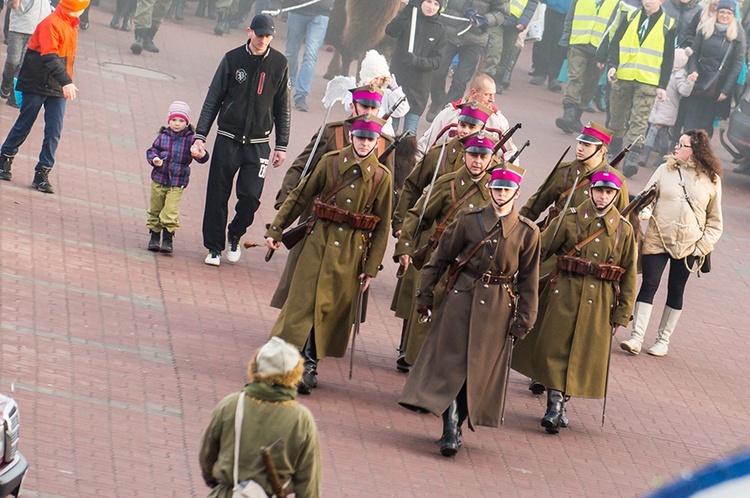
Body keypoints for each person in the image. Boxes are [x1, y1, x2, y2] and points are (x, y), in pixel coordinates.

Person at [399, 164, 539, 457]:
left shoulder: (528, 232)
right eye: (497, 188)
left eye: (507, 189)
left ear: (517, 192)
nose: (501, 194)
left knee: (478, 372)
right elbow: (439, 259)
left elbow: (529, 282)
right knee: (451, 365)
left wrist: (524, 320)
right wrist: (424, 295)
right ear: (490, 189)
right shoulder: (469, 219)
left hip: (498, 309)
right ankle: (450, 428)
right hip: (461, 299)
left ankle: (458, 424)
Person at [265, 114, 393, 395]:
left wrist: (371, 267)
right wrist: (276, 229)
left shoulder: (382, 177)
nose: (364, 144)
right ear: (351, 137)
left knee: (329, 308)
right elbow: (301, 194)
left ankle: (310, 364)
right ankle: (287, 361)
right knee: (301, 304)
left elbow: (383, 226)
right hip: (317, 240)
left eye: (370, 139)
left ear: (377, 142)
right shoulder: (331, 162)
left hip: (350, 250)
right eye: (360, 138)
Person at [512, 170, 637, 434]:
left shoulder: (623, 230)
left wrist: (622, 313)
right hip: (564, 292)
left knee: (582, 353)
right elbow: (541, 250)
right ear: (590, 191)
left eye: (609, 192)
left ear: (616, 195)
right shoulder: (569, 220)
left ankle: (561, 403)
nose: (602, 197)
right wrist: (524, 284)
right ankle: (554, 405)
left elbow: (628, 273)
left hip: (600, 301)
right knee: (556, 348)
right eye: (599, 191)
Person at [270, 84, 394, 310]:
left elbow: (385, 191)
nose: (368, 111)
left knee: (339, 301)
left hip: (356, 229)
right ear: (353, 105)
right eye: (364, 105)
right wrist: (285, 201)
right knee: (303, 284)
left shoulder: (384, 142)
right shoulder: (332, 132)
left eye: (373, 107)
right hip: (318, 218)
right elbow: (301, 166)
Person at [393, 131, 498, 372]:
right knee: (427, 315)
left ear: (491, 159)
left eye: (483, 156)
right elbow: (418, 216)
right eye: (473, 155)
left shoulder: (495, 191)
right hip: (439, 260)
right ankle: (418, 369)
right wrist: (405, 246)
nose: (477, 161)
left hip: (471, 267)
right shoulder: (446, 183)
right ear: (464, 155)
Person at [196, 14, 290, 267]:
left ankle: (235, 234)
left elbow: (283, 106)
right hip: (228, 138)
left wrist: (282, 145)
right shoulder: (232, 59)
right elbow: (213, 99)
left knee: (250, 197)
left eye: (268, 36)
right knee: (217, 195)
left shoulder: (279, 64)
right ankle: (214, 247)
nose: (262, 40)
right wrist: (200, 136)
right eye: (259, 34)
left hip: (259, 143)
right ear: (249, 31)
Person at [620, 130, 722, 357]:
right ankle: (636, 337)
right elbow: (647, 197)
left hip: (689, 245)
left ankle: (662, 341)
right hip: (658, 238)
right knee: (649, 284)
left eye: (682, 145)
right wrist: (643, 212)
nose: (676, 148)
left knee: (676, 290)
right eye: (677, 143)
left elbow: (715, 222)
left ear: (695, 151)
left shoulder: (712, 180)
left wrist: (701, 247)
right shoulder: (664, 170)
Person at [198, 337, 322, 497]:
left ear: (255, 368)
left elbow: (207, 453)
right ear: (294, 375)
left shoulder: (231, 404)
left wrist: (215, 480)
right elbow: (309, 481)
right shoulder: (301, 419)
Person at [0, 0, 89, 193]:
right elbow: (49, 56)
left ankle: (42, 172)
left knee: (54, 130)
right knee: (25, 123)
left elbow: (65, 57)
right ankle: (6, 156)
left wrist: (65, 81)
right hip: (37, 81)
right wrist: (67, 81)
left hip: (57, 83)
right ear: (75, 8)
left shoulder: (70, 24)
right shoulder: (51, 23)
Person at [603, 0, 676, 178]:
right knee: (617, 116)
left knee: (639, 119)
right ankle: (615, 151)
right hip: (624, 75)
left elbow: (668, 57)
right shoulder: (629, 16)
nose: (647, 2)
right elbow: (615, 42)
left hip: (648, 80)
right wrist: (612, 65)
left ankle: (632, 157)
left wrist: (662, 85)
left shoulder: (669, 24)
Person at [520, 122, 629, 230]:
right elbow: (536, 204)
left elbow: (622, 223)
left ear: (601, 151)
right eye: (580, 143)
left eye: (587, 145)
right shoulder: (564, 171)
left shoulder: (616, 180)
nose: (580, 148)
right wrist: (515, 227)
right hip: (556, 237)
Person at [425, 0, 508, 121]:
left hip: (475, 39)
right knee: (437, 72)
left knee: (461, 79)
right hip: (448, 33)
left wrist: (484, 19)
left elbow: (502, 12)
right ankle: (437, 101)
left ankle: (447, 112)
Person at [145, 101, 210, 254]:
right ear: (169, 120)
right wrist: (154, 159)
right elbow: (152, 151)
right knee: (155, 208)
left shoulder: (191, 139)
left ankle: (168, 237)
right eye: (174, 120)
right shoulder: (163, 137)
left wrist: (200, 153)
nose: (177, 124)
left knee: (170, 211)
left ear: (186, 122)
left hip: (177, 182)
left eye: (181, 121)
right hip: (159, 179)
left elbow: (203, 157)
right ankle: (154, 236)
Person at [554, 0, 621, 134]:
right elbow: (570, 17)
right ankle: (568, 113)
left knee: (591, 84)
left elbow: (617, 29)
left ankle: (576, 116)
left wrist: (608, 54)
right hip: (578, 42)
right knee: (575, 78)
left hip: (600, 49)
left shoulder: (617, 3)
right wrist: (566, 40)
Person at [680, 0, 745, 138]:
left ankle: (700, 154)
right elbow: (694, 52)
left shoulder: (738, 35)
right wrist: (693, 70)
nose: (725, 15)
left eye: (729, 12)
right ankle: (685, 150)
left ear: (733, 14)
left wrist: (726, 90)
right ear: (717, 12)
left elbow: (737, 65)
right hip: (699, 80)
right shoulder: (705, 28)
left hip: (718, 85)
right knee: (691, 119)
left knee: (706, 123)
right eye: (722, 11)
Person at [417, 73, 515, 161]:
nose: (492, 100)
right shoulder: (449, 115)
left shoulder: (499, 122)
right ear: (473, 93)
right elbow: (424, 147)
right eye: (487, 95)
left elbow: (510, 154)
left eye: (493, 95)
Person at [385, 0, 447, 136]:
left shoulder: (440, 30)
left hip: (418, 90)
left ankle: (404, 158)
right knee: (389, 130)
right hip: (397, 85)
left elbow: (436, 62)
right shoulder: (409, 17)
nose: (431, 7)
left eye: (436, 4)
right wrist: (407, 10)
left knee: (409, 134)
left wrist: (418, 61)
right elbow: (390, 31)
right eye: (428, 2)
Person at [638, 47, 695, 168]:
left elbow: (684, 91)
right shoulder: (666, 71)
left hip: (668, 109)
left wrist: (690, 82)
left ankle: (655, 155)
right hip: (658, 106)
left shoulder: (679, 76)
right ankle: (650, 155)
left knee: (659, 132)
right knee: (655, 131)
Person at [282, 0, 334, 112]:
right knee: (291, 53)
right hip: (297, 8)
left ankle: (301, 95)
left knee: (311, 54)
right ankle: (288, 82)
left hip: (321, 12)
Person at [0, 0, 51, 109]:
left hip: (38, 28)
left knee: (23, 64)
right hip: (18, 25)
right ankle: (6, 82)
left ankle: (13, 95)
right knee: (13, 61)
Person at [484, 0, 538, 92]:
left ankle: (498, 79)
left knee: (506, 52)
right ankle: (489, 78)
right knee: (495, 47)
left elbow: (532, 2)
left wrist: (524, 21)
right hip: (497, 14)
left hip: (515, 20)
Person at [529, 0, 570, 92]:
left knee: (560, 46)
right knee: (544, 42)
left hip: (568, 12)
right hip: (549, 7)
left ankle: (554, 77)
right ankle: (540, 72)